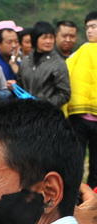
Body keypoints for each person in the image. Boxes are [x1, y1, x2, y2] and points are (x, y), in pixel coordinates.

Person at [66, 11, 97, 189]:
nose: (89, 31)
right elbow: (65, 72)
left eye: (93, 27)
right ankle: (75, 196)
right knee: (76, 161)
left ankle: (93, 198)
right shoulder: (83, 50)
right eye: (87, 28)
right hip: (80, 116)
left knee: (96, 165)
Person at [18, 21, 70, 108]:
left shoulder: (58, 63)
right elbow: (21, 85)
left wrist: (44, 105)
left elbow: (64, 94)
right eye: (44, 38)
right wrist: (13, 87)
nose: (48, 41)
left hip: (47, 115)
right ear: (35, 39)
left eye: (51, 38)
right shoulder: (25, 61)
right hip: (26, 112)